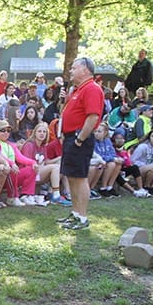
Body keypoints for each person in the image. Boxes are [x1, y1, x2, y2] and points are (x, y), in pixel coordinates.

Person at [57, 57, 103, 230]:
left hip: (79, 139)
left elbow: (93, 117)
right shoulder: (77, 90)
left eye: (74, 67)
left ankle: (83, 218)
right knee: (72, 177)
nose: (71, 71)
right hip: (70, 138)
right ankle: (75, 214)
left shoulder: (91, 88)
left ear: (85, 70)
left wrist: (79, 139)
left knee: (80, 178)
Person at [21, 122, 71, 205]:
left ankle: (55, 192)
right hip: (30, 173)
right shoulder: (29, 145)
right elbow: (27, 164)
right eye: (39, 131)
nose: (42, 134)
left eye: (44, 132)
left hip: (39, 172)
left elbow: (46, 161)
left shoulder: (43, 146)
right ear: (35, 133)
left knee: (61, 164)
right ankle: (55, 195)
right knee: (55, 167)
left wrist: (59, 158)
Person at [112, 132, 150, 197]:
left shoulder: (125, 150)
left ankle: (141, 189)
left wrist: (123, 154)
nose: (120, 140)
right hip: (114, 170)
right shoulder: (112, 149)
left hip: (123, 169)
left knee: (134, 167)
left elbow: (128, 163)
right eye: (117, 138)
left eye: (121, 138)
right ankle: (134, 192)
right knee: (117, 175)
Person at [91, 122, 123, 197]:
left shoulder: (107, 141)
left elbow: (112, 153)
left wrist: (114, 158)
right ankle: (103, 187)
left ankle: (110, 187)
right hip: (97, 162)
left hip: (106, 162)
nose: (96, 133)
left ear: (105, 133)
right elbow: (98, 156)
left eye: (99, 131)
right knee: (112, 164)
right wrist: (112, 159)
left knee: (118, 164)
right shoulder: (92, 141)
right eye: (95, 131)